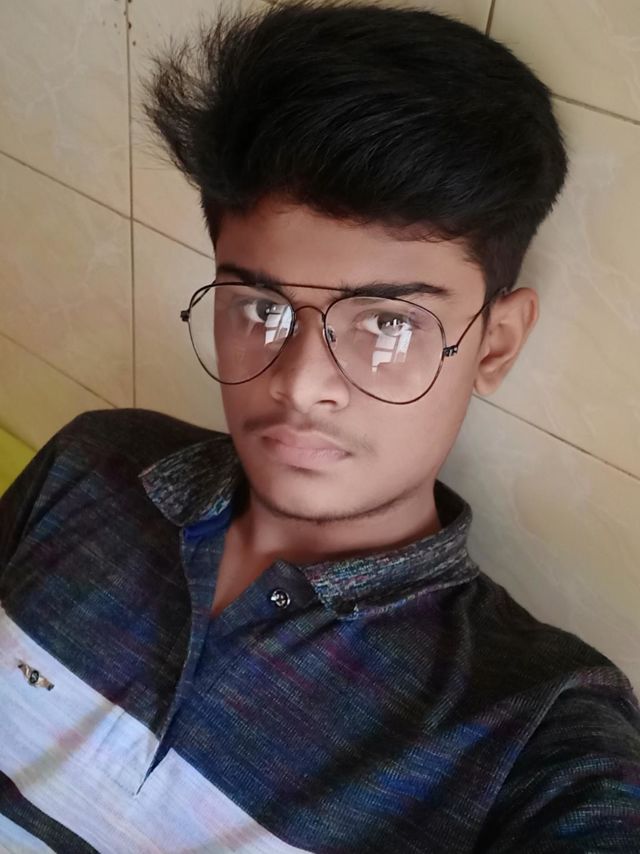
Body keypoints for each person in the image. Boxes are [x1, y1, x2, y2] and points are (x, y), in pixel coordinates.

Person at [1, 1, 639, 851]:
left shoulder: (532, 734)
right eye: (260, 305)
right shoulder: (92, 462)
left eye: (388, 323)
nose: (300, 385)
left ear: (495, 344)